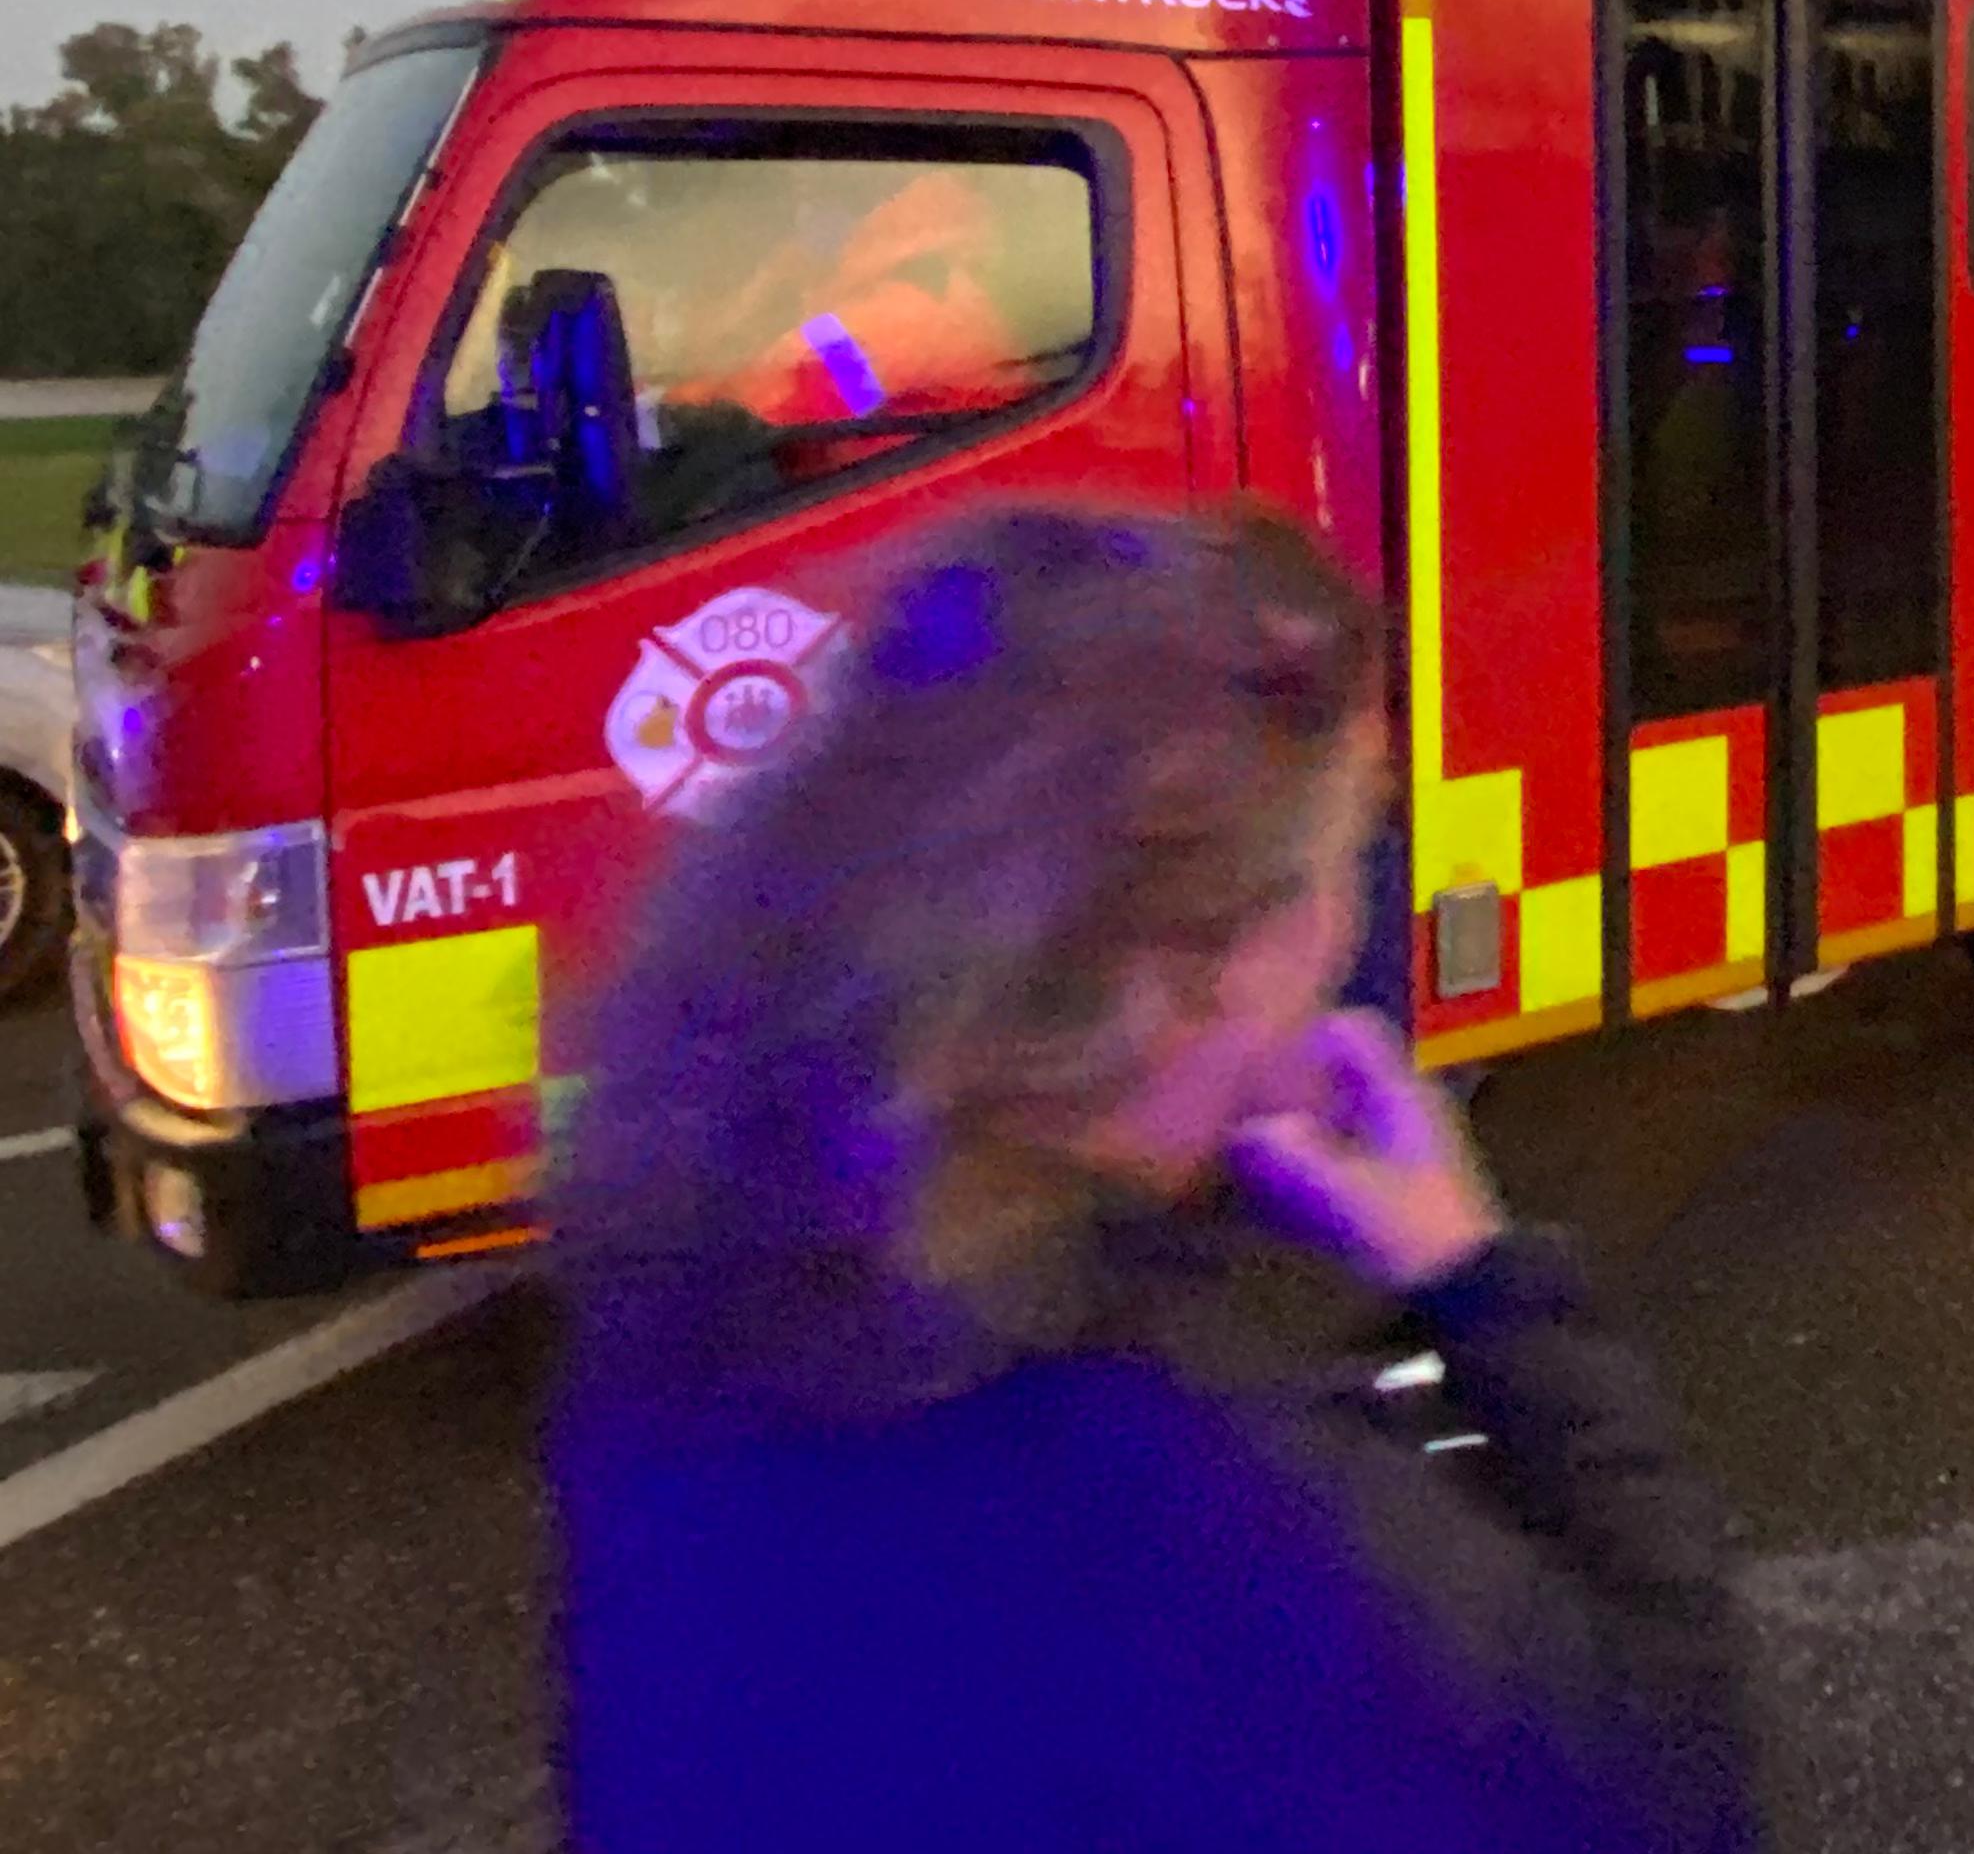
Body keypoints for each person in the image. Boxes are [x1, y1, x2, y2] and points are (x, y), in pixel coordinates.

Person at [550, 500, 1762, 1853]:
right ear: (1196, 969)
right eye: (1349, 854)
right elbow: (1657, 1774)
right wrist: (1485, 1285)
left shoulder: (689, 1315)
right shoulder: (1204, 1515)